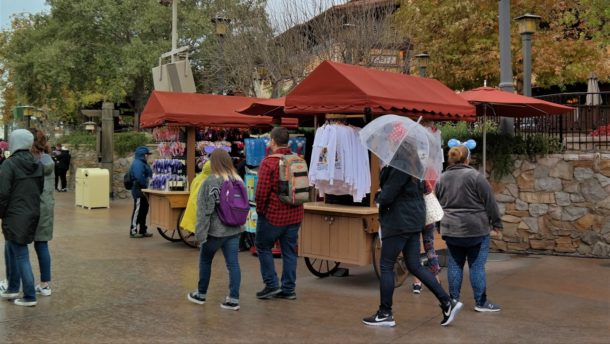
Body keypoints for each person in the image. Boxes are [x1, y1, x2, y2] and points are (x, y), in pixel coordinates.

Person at [362, 165, 462, 327]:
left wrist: (378, 196)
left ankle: (385, 313)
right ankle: (447, 302)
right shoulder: (416, 166)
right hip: (413, 220)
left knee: (387, 265)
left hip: (399, 221)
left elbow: (388, 196)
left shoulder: (399, 166)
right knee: (414, 265)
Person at [435, 144, 503, 312]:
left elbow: (436, 205)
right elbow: (490, 202)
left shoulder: (441, 178)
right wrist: (497, 224)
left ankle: (453, 301)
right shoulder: (476, 176)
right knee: (477, 266)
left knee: (454, 265)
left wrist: (439, 225)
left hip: (451, 229)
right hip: (476, 229)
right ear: (467, 159)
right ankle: (481, 302)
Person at [188, 149, 245, 311]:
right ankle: (233, 299)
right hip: (235, 229)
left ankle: (201, 294)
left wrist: (200, 233)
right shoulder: (238, 179)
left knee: (205, 260)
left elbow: (205, 210)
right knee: (233, 264)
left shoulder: (211, 181)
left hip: (216, 231)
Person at [254, 127, 304, 300]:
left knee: (262, 246)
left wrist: (260, 211)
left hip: (274, 215)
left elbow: (261, 192)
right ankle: (289, 289)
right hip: (295, 214)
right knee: (289, 252)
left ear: (273, 141)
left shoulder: (269, 162)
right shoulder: (298, 159)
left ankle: (271, 284)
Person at [0, 129, 44, 307]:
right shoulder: (37, 163)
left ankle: (29, 295)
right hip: (31, 212)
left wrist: (1, 212)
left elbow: (2, 192)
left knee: (20, 254)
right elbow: (39, 190)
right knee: (11, 248)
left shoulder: (9, 165)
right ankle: (12, 288)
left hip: (14, 214)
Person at [29, 129, 55, 296]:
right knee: (42, 245)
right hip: (46, 207)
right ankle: (45, 285)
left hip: (30, 206)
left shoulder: (30, 161)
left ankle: (13, 283)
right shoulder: (48, 160)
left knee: (17, 247)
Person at [128, 146, 153, 238]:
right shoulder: (138, 163)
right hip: (139, 190)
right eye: (147, 154)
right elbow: (139, 177)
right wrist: (146, 184)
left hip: (143, 190)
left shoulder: (142, 163)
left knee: (144, 210)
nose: (148, 156)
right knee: (138, 210)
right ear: (144, 155)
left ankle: (143, 230)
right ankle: (133, 231)